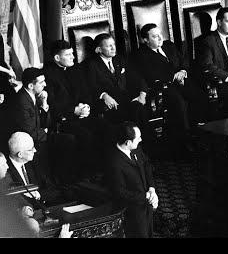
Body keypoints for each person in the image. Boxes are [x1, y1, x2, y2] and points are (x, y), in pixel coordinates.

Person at [132, 23, 206, 148]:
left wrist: (183, 71)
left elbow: (184, 61)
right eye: (155, 37)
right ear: (146, 40)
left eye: (160, 34)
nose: (160, 38)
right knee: (180, 104)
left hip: (182, 81)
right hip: (163, 88)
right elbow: (150, 76)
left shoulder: (169, 45)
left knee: (200, 96)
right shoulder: (141, 55)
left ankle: (200, 134)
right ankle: (186, 142)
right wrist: (174, 77)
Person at [43, 40, 108, 179]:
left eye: (72, 53)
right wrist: (74, 110)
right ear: (57, 58)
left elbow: (86, 92)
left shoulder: (75, 69)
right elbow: (52, 104)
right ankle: (88, 175)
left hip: (83, 114)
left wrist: (87, 107)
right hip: (64, 119)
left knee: (104, 126)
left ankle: (105, 169)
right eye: (68, 54)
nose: (73, 57)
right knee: (85, 135)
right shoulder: (48, 75)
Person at [104, 121, 157, 238]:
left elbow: (147, 164)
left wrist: (152, 189)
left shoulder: (136, 148)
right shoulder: (114, 163)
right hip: (132, 212)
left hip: (146, 206)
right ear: (128, 142)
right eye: (138, 138)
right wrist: (146, 197)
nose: (141, 140)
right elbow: (120, 192)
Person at [85, 33, 148, 126]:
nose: (113, 48)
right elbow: (91, 86)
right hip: (112, 103)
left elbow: (137, 77)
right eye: (109, 46)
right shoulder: (91, 65)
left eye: (113, 45)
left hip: (128, 98)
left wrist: (142, 94)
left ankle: (141, 138)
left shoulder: (120, 59)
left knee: (139, 108)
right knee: (136, 112)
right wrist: (104, 95)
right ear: (99, 49)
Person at [2, 68, 51, 184]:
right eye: (41, 82)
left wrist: (44, 103)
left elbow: (44, 124)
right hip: (25, 143)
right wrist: (46, 132)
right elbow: (30, 131)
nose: (45, 84)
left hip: (37, 137)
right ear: (30, 85)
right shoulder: (21, 101)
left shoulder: (33, 96)